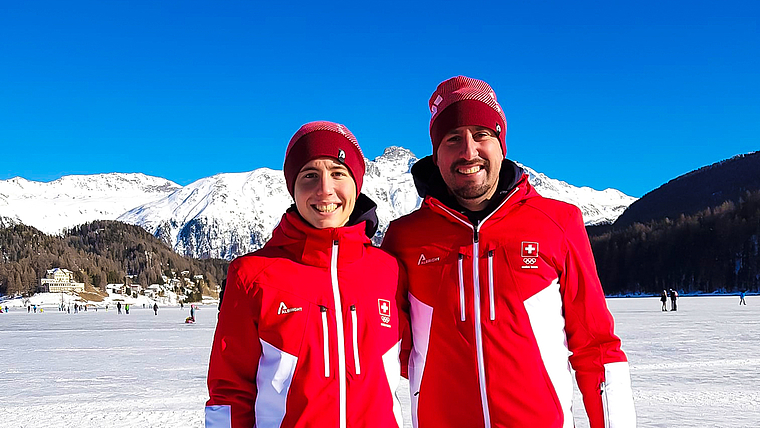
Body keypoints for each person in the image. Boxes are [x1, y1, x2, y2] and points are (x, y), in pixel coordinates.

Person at [381, 76, 636, 428]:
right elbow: (383, 352)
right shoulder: (404, 238)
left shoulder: (558, 222)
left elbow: (597, 347)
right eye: (452, 139)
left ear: (501, 144)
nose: (468, 152)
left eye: (481, 135)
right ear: (436, 155)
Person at [206, 121, 410, 428]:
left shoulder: (390, 270)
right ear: (293, 187)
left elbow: (425, 362)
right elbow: (229, 390)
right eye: (309, 175)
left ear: (357, 184)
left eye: (338, 173)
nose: (324, 189)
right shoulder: (252, 275)